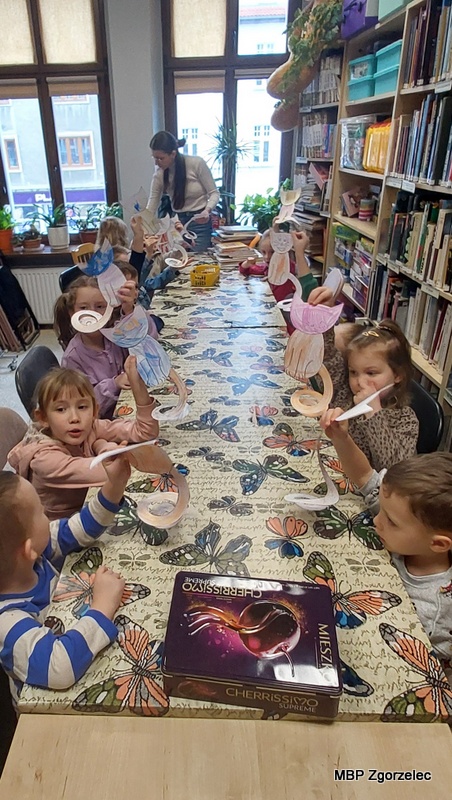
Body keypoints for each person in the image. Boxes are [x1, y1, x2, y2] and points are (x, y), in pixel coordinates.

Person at [0, 450, 130, 705]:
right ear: (27, 548)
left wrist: (113, 486)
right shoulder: (7, 623)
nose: (47, 517)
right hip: (44, 714)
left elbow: (79, 529)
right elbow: (59, 667)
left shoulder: (34, 556)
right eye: (41, 512)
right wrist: (102, 608)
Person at [8, 362, 159, 520]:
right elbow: (114, 474)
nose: (74, 418)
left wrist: (137, 385)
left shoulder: (89, 428)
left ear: (94, 411)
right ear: (43, 418)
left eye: (82, 407)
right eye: (61, 409)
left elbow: (146, 431)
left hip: (88, 506)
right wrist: (103, 445)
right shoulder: (44, 460)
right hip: (60, 531)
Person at [313, 285, 418, 472]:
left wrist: (374, 412)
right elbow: (327, 357)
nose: (359, 382)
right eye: (353, 372)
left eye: (371, 373)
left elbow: (394, 471)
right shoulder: (347, 393)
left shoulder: (405, 419)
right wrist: (325, 313)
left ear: (398, 375)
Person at [373, 453, 452, 680]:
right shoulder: (409, 531)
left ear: (437, 544)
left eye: (391, 521)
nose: (377, 521)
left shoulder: (435, 613)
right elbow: (367, 480)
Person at [54, 274, 158, 419]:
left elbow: (150, 342)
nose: (93, 313)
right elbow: (83, 406)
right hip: (104, 423)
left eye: (100, 307)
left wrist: (129, 310)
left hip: (131, 405)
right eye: (83, 307)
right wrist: (114, 383)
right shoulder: (72, 358)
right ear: (72, 312)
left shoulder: (115, 333)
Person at [146, 131, 219, 253]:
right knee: (179, 263)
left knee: (198, 259)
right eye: (154, 157)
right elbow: (152, 203)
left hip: (199, 221)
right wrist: (143, 224)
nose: (156, 162)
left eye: (160, 158)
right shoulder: (159, 175)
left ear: (173, 154)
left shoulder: (196, 163)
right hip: (177, 223)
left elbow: (214, 193)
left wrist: (207, 210)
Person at [240, 230, 318, 333]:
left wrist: (299, 251)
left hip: (286, 322)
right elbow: (247, 269)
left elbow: (307, 286)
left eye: (272, 252)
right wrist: (247, 263)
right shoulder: (269, 268)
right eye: (263, 252)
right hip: (271, 315)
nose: (267, 257)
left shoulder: (289, 267)